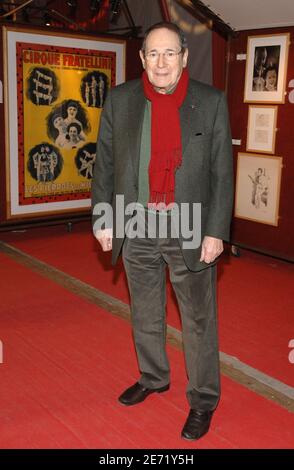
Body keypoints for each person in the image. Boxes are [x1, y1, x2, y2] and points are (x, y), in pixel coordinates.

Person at [91, 22, 233, 441]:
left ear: (184, 57)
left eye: (170, 53)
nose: (161, 62)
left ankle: (204, 399)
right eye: (153, 54)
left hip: (189, 220)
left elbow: (222, 173)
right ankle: (153, 377)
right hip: (135, 220)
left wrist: (215, 230)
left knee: (199, 319)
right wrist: (104, 218)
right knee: (145, 311)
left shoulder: (209, 101)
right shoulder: (121, 100)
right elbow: (104, 165)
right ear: (142, 59)